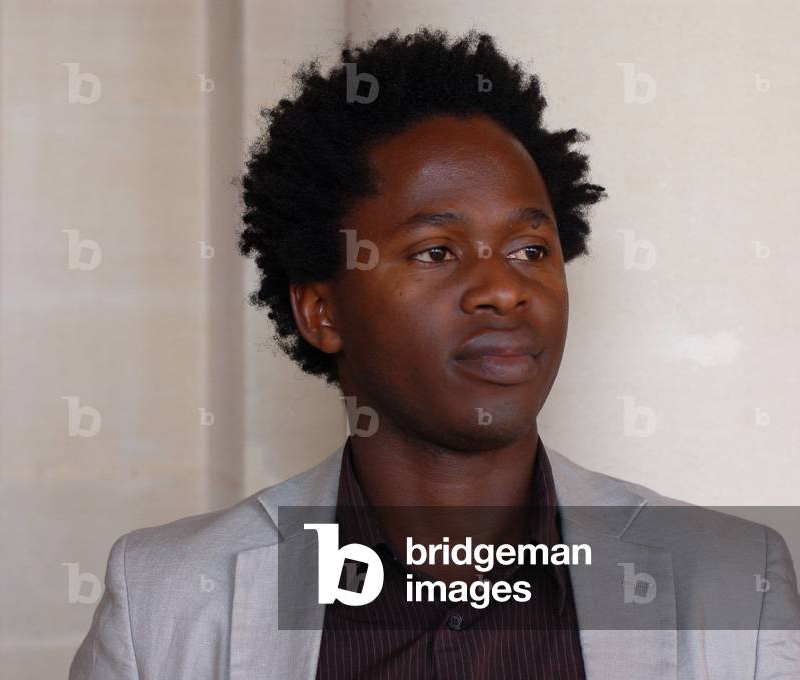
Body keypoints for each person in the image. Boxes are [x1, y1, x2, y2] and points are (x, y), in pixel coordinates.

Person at [70, 28, 800, 679]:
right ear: (321, 310)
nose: (503, 290)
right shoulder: (166, 601)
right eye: (436, 250)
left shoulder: (734, 582)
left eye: (529, 248)